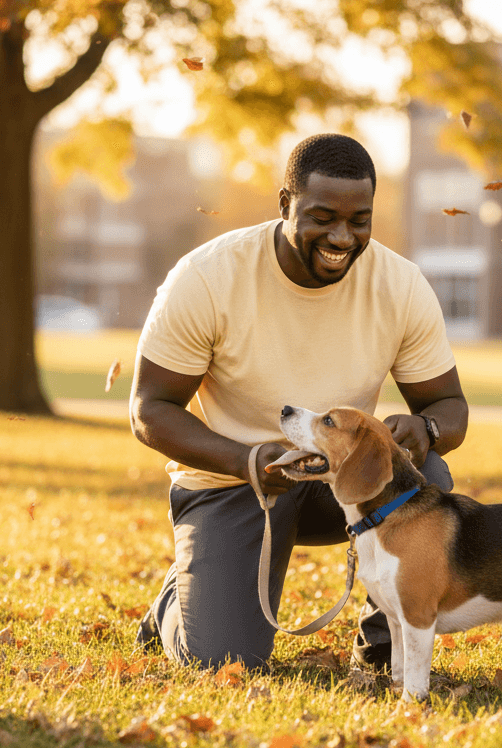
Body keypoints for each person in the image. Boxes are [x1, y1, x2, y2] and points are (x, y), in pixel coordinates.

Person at [129, 133, 469, 672]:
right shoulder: (207, 277)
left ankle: (383, 643)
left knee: (429, 471)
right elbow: (149, 410)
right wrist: (247, 462)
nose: (342, 236)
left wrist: (426, 428)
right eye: (322, 216)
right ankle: (178, 598)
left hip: (345, 483)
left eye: (360, 220)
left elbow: (450, 405)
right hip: (236, 482)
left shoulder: (400, 285)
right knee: (223, 662)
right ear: (285, 205)